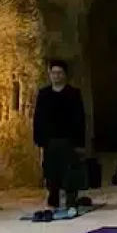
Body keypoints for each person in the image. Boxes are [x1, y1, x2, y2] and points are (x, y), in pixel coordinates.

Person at [33, 59, 87, 215]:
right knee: (51, 172)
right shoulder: (44, 94)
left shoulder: (73, 93)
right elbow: (38, 118)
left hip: (68, 139)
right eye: (54, 73)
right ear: (49, 74)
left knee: (70, 171)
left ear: (65, 74)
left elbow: (79, 118)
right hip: (50, 140)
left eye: (59, 73)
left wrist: (79, 142)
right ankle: (53, 200)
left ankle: (71, 200)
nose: (56, 76)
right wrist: (39, 140)